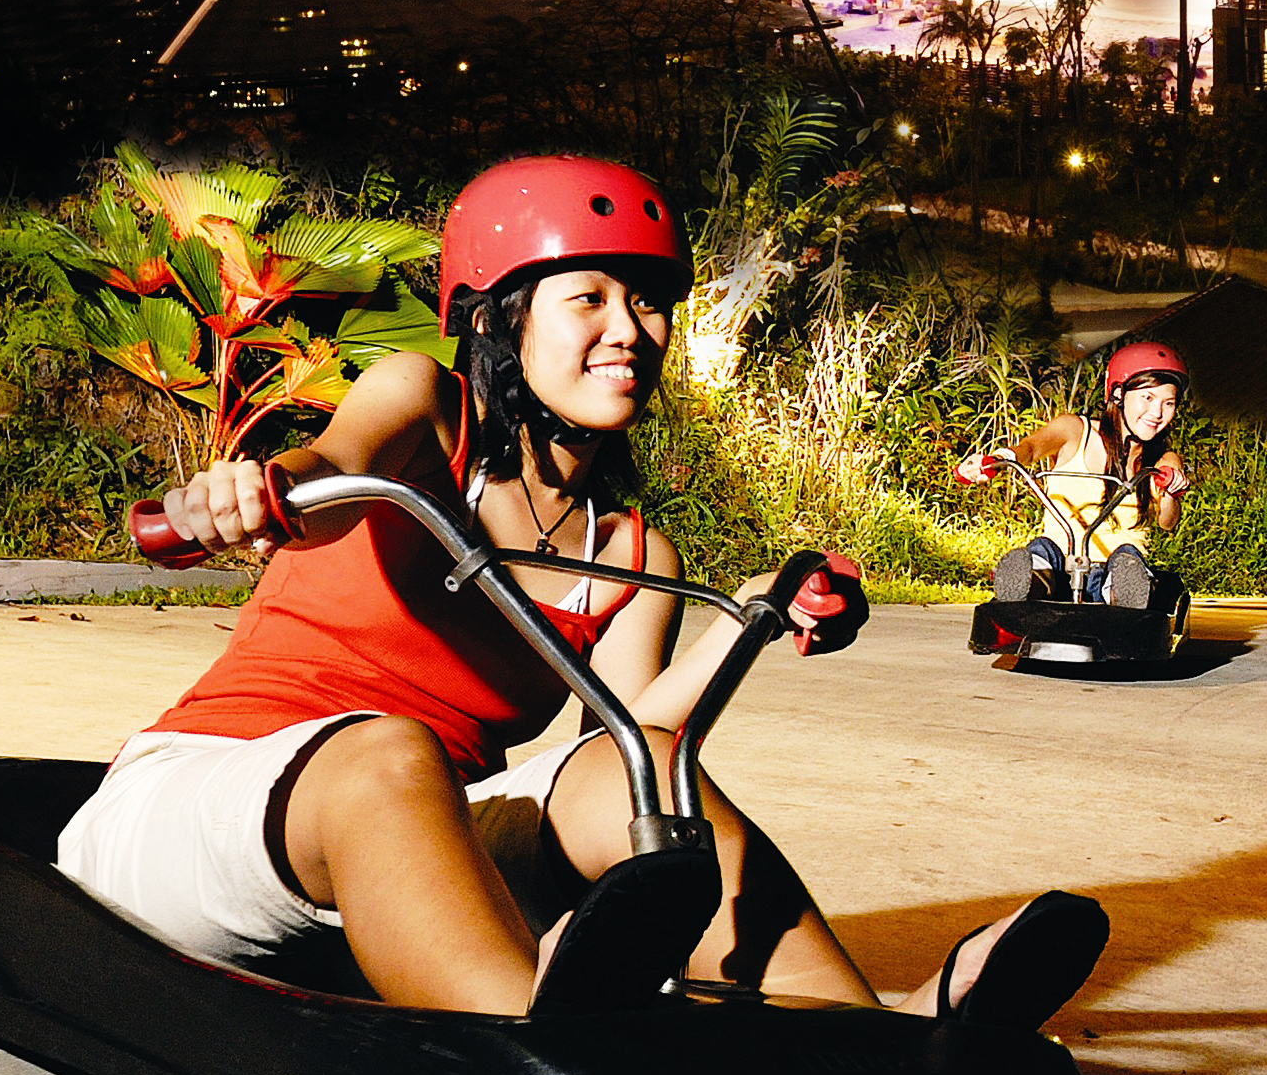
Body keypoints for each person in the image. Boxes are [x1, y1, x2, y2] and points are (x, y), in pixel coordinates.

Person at [59, 156, 1107, 1025]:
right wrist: (248, 490)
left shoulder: (630, 549)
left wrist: (751, 616)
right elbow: (329, 465)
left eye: (646, 299)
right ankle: (539, 1032)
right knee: (386, 742)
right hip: (208, 805)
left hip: (431, 830)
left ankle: (880, 1034)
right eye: (589, 296)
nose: (628, 328)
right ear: (500, 317)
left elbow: (630, 729)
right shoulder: (425, 412)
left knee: (641, 768)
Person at [961, 340, 1193, 606]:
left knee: (1126, 558)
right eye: (1148, 398)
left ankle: (1121, 593)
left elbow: (1168, 521)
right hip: (1060, 565)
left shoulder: (1160, 459)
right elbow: (1031, 447)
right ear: (1118, 393)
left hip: (1114, 568)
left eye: (1168, 403)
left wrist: (1172, 490)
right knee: (1042, 551)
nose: (1157, 413)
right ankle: (1025, 582)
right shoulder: (1075, 431)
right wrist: (999, 459)